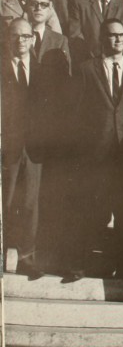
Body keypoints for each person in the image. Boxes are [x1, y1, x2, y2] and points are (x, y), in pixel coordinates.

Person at [65, 19, 123, 282]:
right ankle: (78, 264)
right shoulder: (86, 69)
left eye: (122, 35)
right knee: (88, 209)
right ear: (103, 39)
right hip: (94, 155)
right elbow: (75, 113)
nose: (118, 40)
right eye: (112, 36)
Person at [1, 19, 59, 279]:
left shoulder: (42, 71)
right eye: (16, 36)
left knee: (30, 205)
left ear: (32, 40)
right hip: (7, 148)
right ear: (8, 39)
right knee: (5, 202)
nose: (21, 41)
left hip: (34, 150)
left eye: (25, 36)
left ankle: (27, 259)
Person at [26, 0, 72, 74]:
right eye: (34, 3)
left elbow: (66, 75)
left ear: (50, 8)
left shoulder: (60, 40)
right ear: (27, 7)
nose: (38, 8)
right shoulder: (17, 36)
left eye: (43, 4)